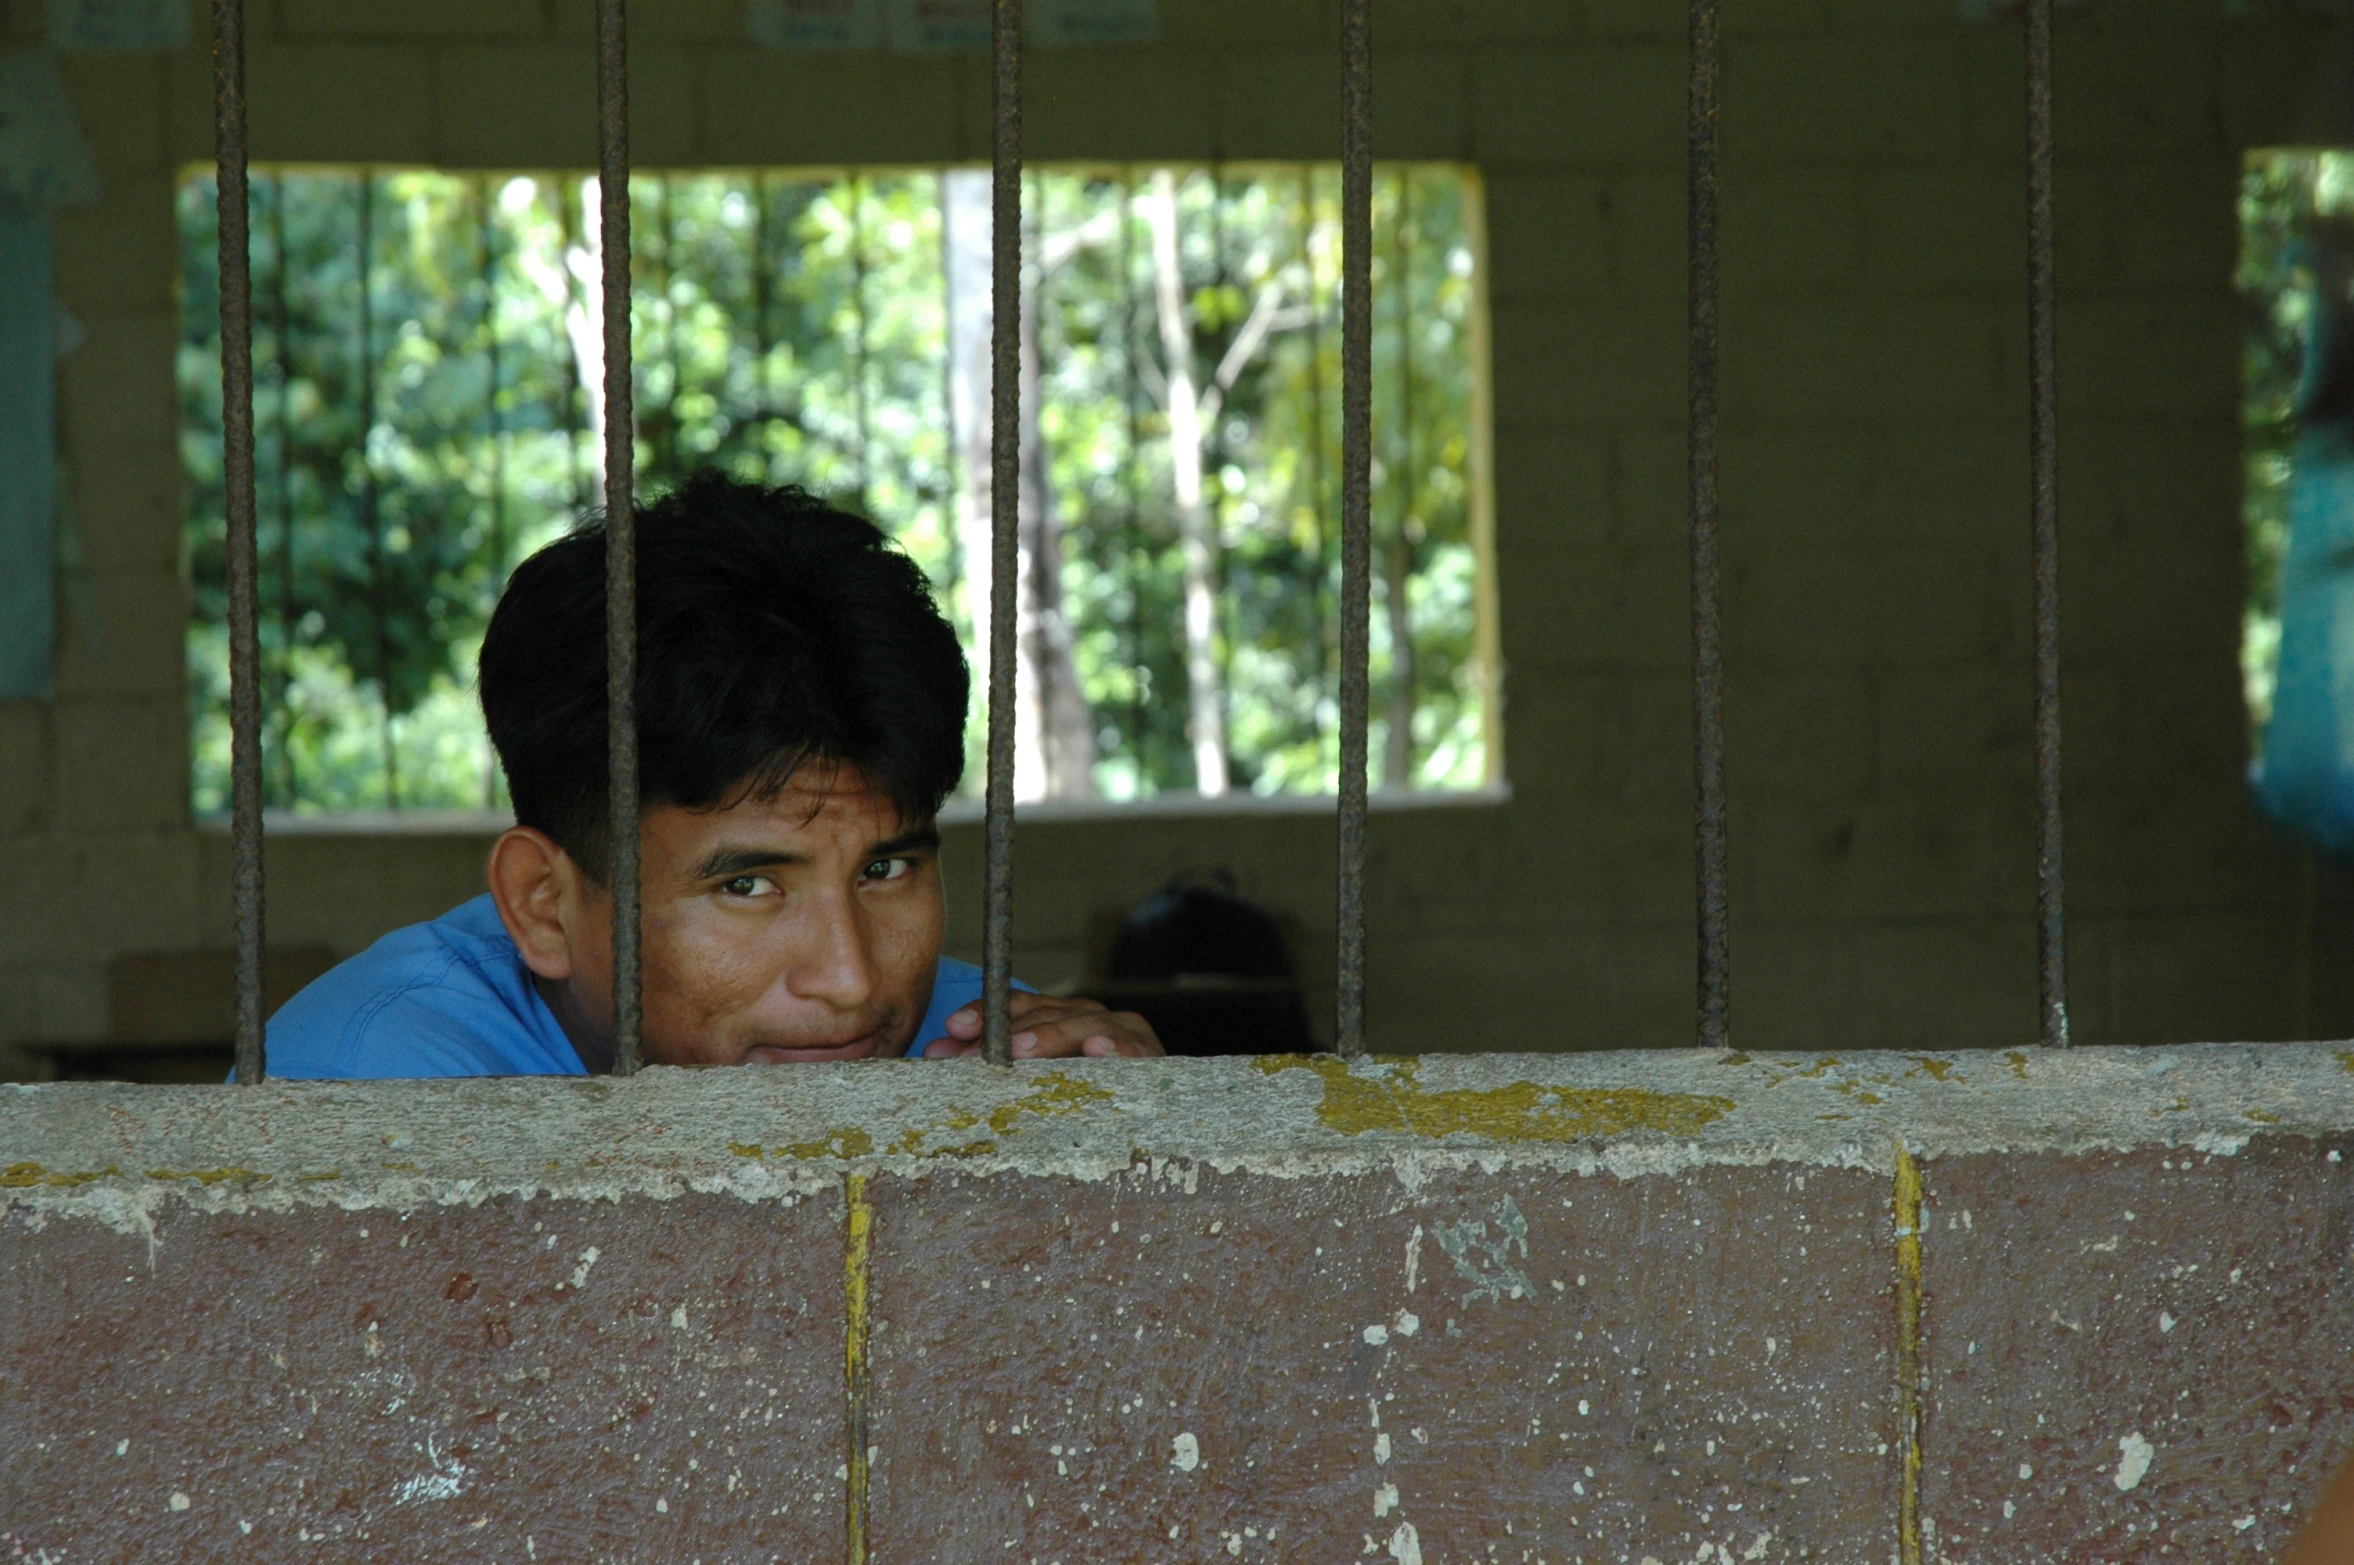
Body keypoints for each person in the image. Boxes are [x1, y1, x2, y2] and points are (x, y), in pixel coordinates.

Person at [260, 474, 1162, 1078]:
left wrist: (1134, 1120)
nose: (851, 981)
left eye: (884, 868)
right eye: (750, 883)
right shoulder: (364, 1080)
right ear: (543, 904)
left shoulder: (979, 1041)